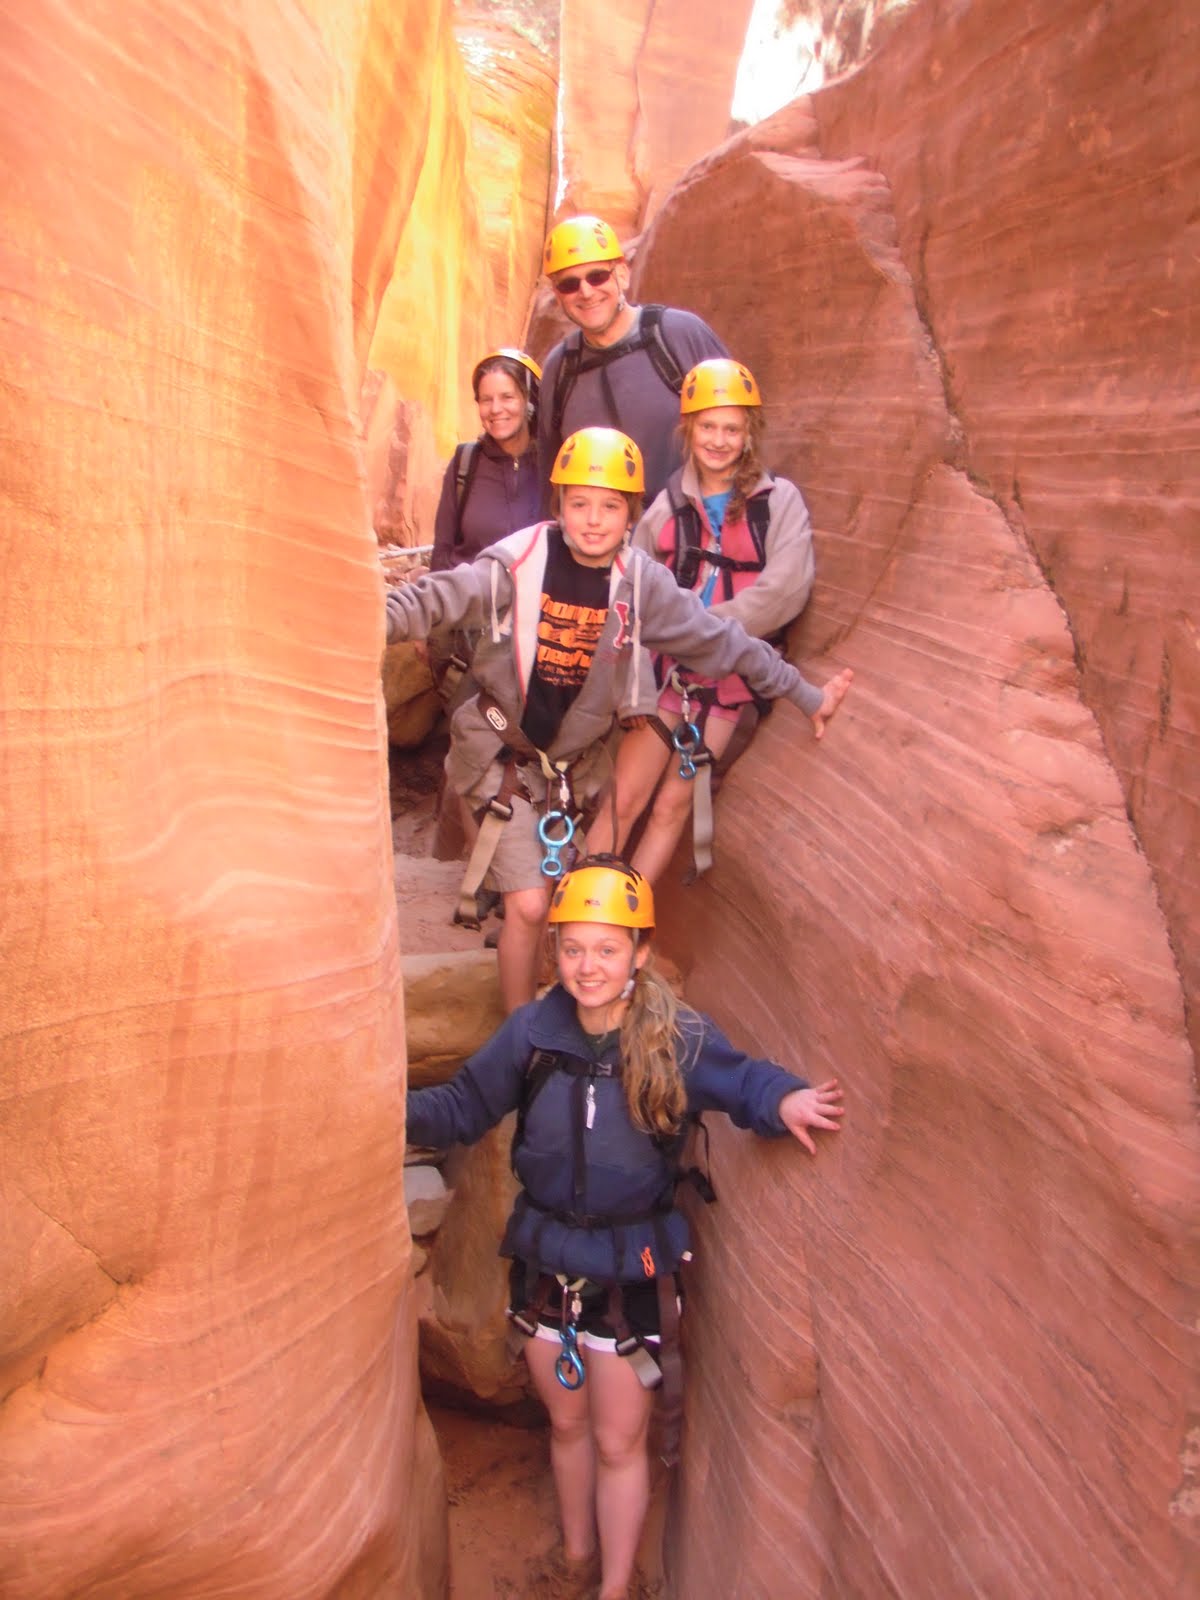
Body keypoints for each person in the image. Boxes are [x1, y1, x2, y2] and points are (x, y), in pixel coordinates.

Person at [405, 857, 845, 1600]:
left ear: (640, 953)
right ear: (555, 953)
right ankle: (574, 1558)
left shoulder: (673, 1036)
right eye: (573, 948)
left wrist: (786, 1102)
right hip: (544, 1260)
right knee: (567, 1426)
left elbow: (741, 1082)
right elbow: (461, 1108)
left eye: (608, 949)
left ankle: (613, 1589)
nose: (588, 966)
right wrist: (388, 1106)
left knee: (617, 1439)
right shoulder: (534, 1035)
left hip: (631, 1268)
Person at [385, 426, 852, 1013]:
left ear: (631, 513)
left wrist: (805, 694)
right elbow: (436, 598)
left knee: (554, 900)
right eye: (579, 503)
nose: (594, 519)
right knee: (531, 905)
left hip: (567, 774)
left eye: (610, 506)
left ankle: (539, 1012)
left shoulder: (641, 586)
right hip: (499, 755)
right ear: (559, 505)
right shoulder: (517, 563)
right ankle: (518, 1047)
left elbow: (722, 642)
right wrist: (372, 618)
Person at [588, 357, 819, 884]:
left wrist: (707, 630)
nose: (719, 440)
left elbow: (786, 589)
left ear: (749, 433)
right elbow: (631, 591)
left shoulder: (778, 503)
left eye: (731, 429)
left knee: (672, 805)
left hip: (730, 676)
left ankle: (628, 930)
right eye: (708, 426)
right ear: (689, 429)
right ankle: (576, 926)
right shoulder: (665, 509)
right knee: (624, 799)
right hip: (667, 673)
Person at [537, 215, 728, 510]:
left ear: (622, 275)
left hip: (692, 538)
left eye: (597, 276)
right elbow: (550, 480)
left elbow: (740, 433)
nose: (586, 292)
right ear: (557, 295)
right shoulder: (559, 370)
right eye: (569, 284)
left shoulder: (678, 335)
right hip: (602, 546)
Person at [430, 347, 542, 572]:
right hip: (469, 602)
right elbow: (442, 552)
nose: (495, 409)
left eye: (507, 397)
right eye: (486, 400)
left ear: (529, 400)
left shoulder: (553, 466)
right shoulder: (465, 462)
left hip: (531, 604)